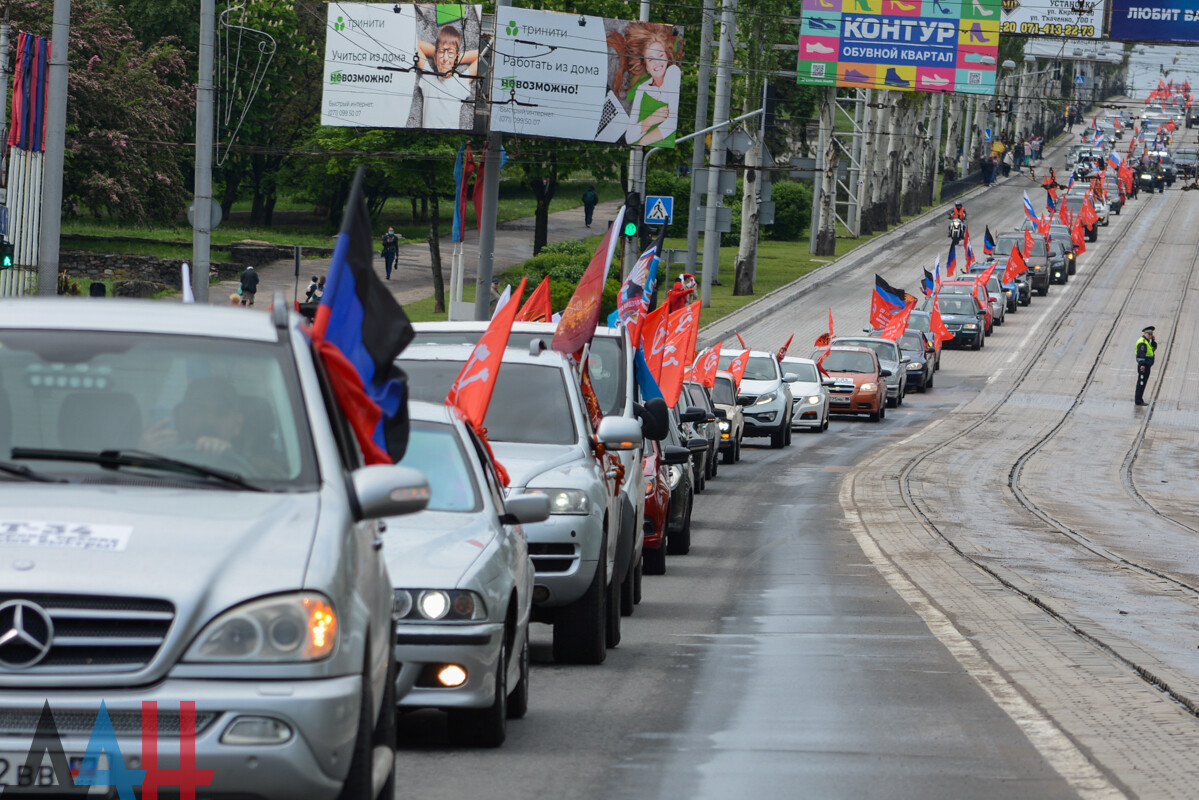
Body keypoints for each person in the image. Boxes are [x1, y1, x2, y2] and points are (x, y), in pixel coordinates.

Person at [607, 23, 682, 146]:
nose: (657, 63)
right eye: (651, 59)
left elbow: (672, 122)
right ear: (646, 66)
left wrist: (643, 141)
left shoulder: (673, 72)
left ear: (667, 57)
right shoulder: (642, 89)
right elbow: (629, 138)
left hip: (655, 148)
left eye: (660, 55)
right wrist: (651, 119)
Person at [416, 24, 478, 130]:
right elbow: (415, 44)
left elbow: (479, 55)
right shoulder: (428, 77)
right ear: (435, 59)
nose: (445, 58)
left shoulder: (461, 82)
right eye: (441, 52)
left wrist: (455, 58)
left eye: (450, 53)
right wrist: (438, 54)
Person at [1135, 326, 1157, 406]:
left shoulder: (1147, 342)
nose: (1151, 336)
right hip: (1143, 367)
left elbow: (1153, 349)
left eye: (1152, 334)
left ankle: (1140, 399)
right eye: (1150, 334)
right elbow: (1141, 355)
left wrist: (1153, 341)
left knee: (1143, 383)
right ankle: (1138, 400)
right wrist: (1142, 365)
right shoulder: (1143, 342)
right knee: (1141, 383)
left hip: (1147, 366)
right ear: (1145, 333)